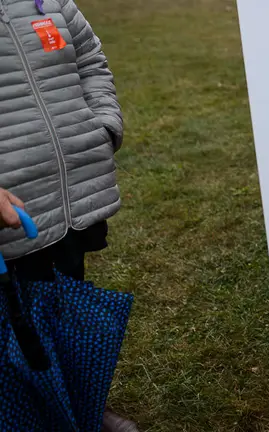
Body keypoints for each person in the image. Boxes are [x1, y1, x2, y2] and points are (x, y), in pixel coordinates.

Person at [0, 1, 137, 431]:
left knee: (63, 306)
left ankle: (81, 409)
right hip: (9, 212)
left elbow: (90, 59)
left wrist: (103, 124)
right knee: (12, 328)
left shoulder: (49, 3)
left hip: (72, 195)